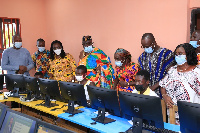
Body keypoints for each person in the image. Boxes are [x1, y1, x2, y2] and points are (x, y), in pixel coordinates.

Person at [159, 43, 200, 124]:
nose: (177, 56)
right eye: (176, 54)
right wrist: (165, 96)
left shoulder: (196, 72)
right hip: (172, 115)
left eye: (180, 54)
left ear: (188, 55)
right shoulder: (172, 70)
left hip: (191, 116)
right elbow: (162, 85)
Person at [138, 33, 174, 97]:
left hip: (163, 92)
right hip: (147, 93)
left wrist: (154, 86)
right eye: (143, 47)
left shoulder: (167, 54)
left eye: (147, 46)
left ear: (154, 43)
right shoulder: (142, 57)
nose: (145, 48)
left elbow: (171, 74)